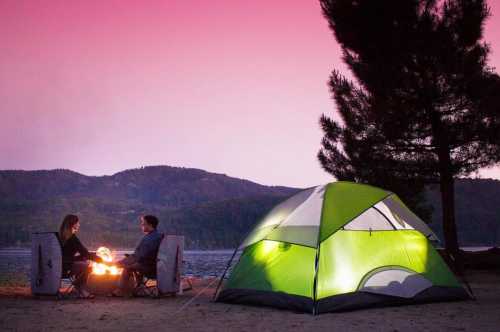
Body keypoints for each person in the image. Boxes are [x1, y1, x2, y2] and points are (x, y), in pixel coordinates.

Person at [114, 215, 163, 296]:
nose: (141, 226)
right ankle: (139, 287)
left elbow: (140, 256)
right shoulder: (159, 236)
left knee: (128, 267)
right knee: (132, 263)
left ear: (150, 225)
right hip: (159, 265)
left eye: (143, 224)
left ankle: (120, 290)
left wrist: (122, 262)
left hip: (150, 267)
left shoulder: (150, 239)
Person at [58, 214, 102, 298]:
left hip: (55, 267)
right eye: (78, 223)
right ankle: (81, 290)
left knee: (84, 260)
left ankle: (79, 289)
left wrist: (84, 257)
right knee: (87, 266)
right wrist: (100, 260)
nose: (79, 225)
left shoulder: (58, 236)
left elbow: (66, 255)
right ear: (73, 224)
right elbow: (85, 252)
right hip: (65, 267)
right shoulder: (72, 238)